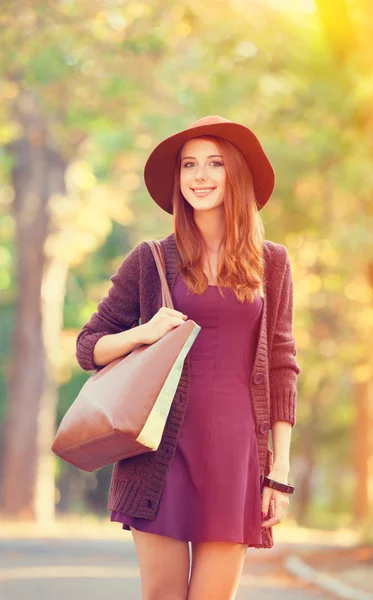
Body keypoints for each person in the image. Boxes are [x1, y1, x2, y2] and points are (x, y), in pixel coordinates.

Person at [76, 115, 301, 600]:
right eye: (189, 165)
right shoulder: (152, 259)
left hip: (236, 455)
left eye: (214, 163)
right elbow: (88, 346)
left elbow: (283, 366)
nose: (200, 176)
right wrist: (143, 332)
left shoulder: (272, 262)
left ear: (235, 174)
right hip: (160, 454)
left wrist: (278, 472)